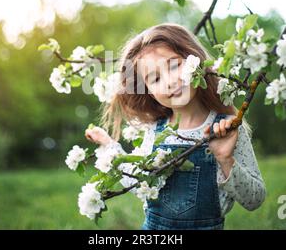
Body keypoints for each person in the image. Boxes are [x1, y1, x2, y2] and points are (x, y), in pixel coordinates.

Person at [85, 23, 266, 230]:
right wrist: (110, 146)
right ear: (149, 92)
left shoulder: (226, 129)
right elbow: (140, 182)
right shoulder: (156, 130)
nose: (170, 81)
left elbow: (255, 199)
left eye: (174, 65)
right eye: (155, 78)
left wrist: (225, 160)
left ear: (194, 61)